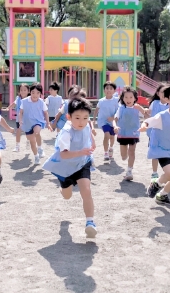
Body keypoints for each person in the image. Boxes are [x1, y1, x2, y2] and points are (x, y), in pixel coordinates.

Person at [42, 97, 98, 238]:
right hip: (65, 167)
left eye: (85, 118)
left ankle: (90, 223)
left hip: (81, 163)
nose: (82, 122)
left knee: (86, 190)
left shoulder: (85, 125)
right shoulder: (66, 133)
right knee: (67, 196)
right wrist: (80, 151)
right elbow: (64, 155)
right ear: (69, 117)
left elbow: (88, 132)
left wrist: (93, 141)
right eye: (77, 118)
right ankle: (64, 189)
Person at [113, 86, 147, 181]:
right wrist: (115, 126)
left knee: (132, 152)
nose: (128, 99)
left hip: (133, 133)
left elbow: (146, 115)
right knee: (124, 156)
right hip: (122, 133)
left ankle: (129, 171)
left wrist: (141, 109)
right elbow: (114, 120)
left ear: (135, 98)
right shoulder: (121, 108)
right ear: (122, 98)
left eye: (131, 97)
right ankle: (125, 158)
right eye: (126, 97)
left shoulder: (137, 108)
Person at [19, 82, 53, 165]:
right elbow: (21, 112)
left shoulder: (42, 102)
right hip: (27, 124)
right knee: (32, 142)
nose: (35, 95)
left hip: (38, 122)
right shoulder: (24, 101)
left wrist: (48, 123)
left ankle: (40, 148)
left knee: (37, 132)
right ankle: (36, 156)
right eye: (33, 92)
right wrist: (20, 120)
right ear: (30, 92)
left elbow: (46, 113)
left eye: (38, 93)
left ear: (40, 93)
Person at [146, 83, 168, 177]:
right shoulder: (154, 103)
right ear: (158, 93)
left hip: (167, 134)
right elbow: (148, 114)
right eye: (163, 92)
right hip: (153, 133)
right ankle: (154, 173)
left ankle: (167, 172)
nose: (165, 94)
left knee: (166, 154)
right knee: (154, 154)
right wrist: (145, 113)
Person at [93, 81, 119, 161]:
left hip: (113, 122)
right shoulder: (101, 101)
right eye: (107, 88)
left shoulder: (116, 100)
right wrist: (94, 119)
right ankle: (106, 153)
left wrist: (113, 117)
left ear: (114, 91)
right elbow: (96, 110)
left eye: (111, 88)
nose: (109, 90)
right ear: (104, 90)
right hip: (103, 121)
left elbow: (119, 111)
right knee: (106, 135)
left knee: (112, 137)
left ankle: (111, 148)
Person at [2, 83, 30, 152]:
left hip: (27, 119)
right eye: (21, 90)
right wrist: (8, 108)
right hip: (19, 119)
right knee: (18, 131)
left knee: (27, 132)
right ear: (19, 91)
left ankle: (28, 141)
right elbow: (13, 104)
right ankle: (17, 146)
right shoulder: (18, 98)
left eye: (25, 90)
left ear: (28, 91)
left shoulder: (29, 99)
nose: (23, 91)